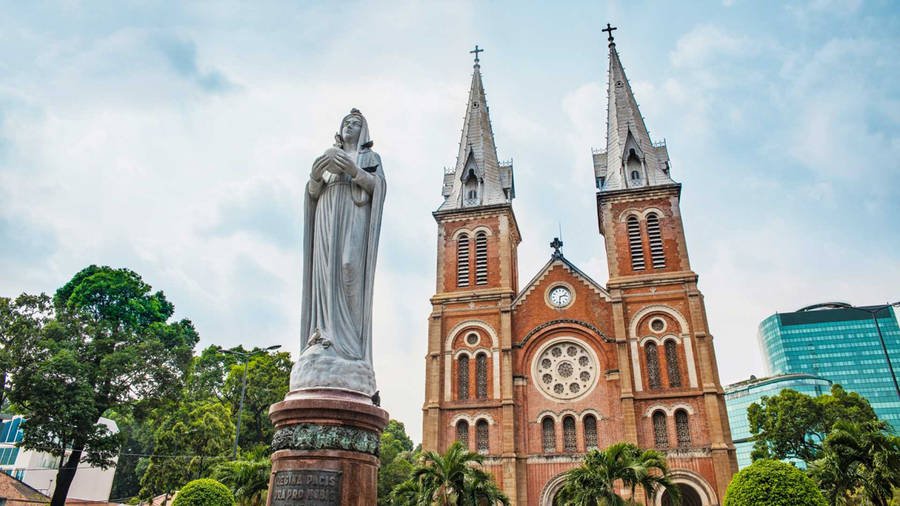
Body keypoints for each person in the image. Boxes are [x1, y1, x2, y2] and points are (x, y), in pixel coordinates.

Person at [290, 109, 386, 396]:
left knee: (348, 268)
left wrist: (355, 171)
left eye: (356, 123)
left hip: (353, 216)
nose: (350, 126)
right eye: (347, 123)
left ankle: (350, 346)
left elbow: (377, 188)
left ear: (364, 131)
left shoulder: (370, 159)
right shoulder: (327, 156)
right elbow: (312, 191)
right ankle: (322, 336)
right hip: (327, 218)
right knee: (325, 276)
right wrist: (316, 174)